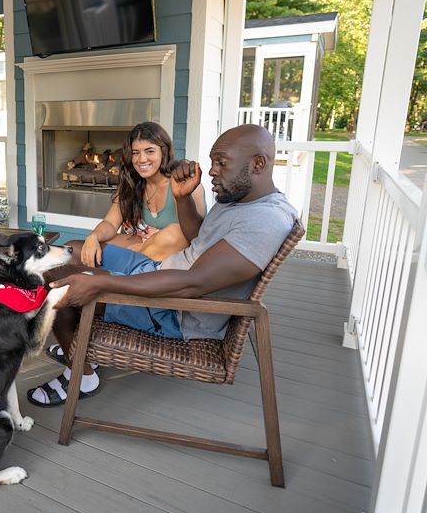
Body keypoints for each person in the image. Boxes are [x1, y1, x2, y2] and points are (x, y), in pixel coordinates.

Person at [27, 124, 298, 407]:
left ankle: (81, 374)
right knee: (66, 256)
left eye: (221, 162)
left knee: (59, 282)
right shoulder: (240, 198)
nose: (213, 170)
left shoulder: (263, 222)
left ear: (258, 164)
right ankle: (80, 351)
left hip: (173, 310)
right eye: (212, 162)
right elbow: (197, 239)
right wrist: (182, 198)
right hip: (161, 273)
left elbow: (193, 283)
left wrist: (100, 282)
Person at [76, 122, 206, 268]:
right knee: (87, 248)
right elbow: (110, 223)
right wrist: (93, 236)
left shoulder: (182, 182)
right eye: (135, 153)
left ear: (164, 152)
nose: (142, 159)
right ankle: (132, 263)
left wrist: (142, 248)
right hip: (145, 245)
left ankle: (128, 263)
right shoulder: (132, 183)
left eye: (149, 151)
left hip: (177, 250)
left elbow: (196, 238)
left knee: (175, 232)